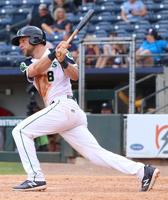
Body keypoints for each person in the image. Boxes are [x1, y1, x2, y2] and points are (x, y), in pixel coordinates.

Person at [11, 25, 159, 192]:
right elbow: (34, 70)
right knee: (95, 155)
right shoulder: (26, 62)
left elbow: (75, 76)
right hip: (62, 113)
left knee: (20, 131)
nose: (20, 45)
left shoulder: (61, 53)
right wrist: (53, 55)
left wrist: (63, 61)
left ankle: (35, 178)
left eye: (23, 41)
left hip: (64, 106)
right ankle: (143, 171)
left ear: (35, 39)